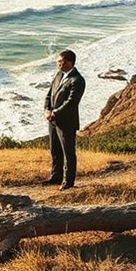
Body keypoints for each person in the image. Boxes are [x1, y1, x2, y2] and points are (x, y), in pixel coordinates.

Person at [42, 50, 85, 190]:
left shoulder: (77, 80)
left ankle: (68, 181)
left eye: (61, 61)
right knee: (55, 150)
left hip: (66, 122)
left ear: (69, 62)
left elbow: (71, 102)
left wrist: (54, 113)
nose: (58, 64)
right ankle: (56, 176)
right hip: (53, 120)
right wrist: (47, 110)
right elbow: (49, 94)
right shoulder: (59, 75)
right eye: (58, 61)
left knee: (68, 152)